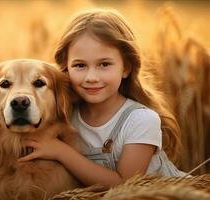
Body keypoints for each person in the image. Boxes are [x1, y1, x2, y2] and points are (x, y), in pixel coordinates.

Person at [18, 8, 186, 188]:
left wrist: (61, 152)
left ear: (126, 68)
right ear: (65, 68)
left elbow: (125, 186)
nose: (91, 77)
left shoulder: (140, 120)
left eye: (104, 64)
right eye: (80, 65)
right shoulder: (66, 115)